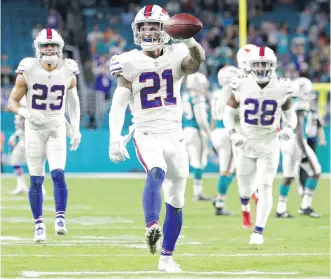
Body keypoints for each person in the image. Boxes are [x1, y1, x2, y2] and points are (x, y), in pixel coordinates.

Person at [108, 5, 205, 272]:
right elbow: (119, 102)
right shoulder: (128, 60)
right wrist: (114, 137)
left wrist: (189, 39)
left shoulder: (179, 53)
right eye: (143, 27)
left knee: (176, 198)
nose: (147, 31)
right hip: (146, 131)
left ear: (166, 29)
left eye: (152, 26)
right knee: (156, 172)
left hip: (175, 133)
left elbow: (196, 63)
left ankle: (166, 258)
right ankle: (152, 225)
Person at [7, 28, 82, 243]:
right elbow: (11, 102)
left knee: (58, 173)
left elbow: (73, 101)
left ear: (59, 48)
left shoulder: (68, 69)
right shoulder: (28, 68)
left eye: (53, 46)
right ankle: (38, 224)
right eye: (45, 45)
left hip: (57, 126)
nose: (49, 49)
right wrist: (27, 112)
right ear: (38, 48)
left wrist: (75, 128)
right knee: (36, 179)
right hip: (34, 128)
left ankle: (60, 218)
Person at [223, 46, 297, 244]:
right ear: (251, 66)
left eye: (266, 64)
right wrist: (232, 133)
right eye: (258, 64)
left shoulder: (282, 86)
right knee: (245, 190)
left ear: (273, 65)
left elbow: (291, 114)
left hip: (270, 143)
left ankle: (258, 231)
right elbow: (228, 113)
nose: (262, 68)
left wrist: (289, 128)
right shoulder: (241, 84)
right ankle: (246, 204)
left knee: (265, 186)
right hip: (245, 142)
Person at [211, 44, 258, 222]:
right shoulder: (238, 83)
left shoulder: (219, 91)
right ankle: (220, 203)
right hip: (229, 130)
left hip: (218, 131)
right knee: (229, 169)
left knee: (235, 167)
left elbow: (214, 117)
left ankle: (248, 197)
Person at [276, 77, 322, 218]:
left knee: (288, 177)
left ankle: (281, 209)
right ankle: (305, 206)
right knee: (316, 171)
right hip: (297, 142)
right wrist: (304, 151)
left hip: (286, 143)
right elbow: (299, 129)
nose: (309, 94)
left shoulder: (289, 101)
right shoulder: (300, 105)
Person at [182, 72, 211, 201]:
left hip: (186, 129)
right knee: (198, 162)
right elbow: (201, 119)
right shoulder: (197, 96)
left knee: (194, 161)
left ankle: (197, 192)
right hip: (195, 131)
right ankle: (197, 193)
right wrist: (209, 134)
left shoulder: (185, 96)